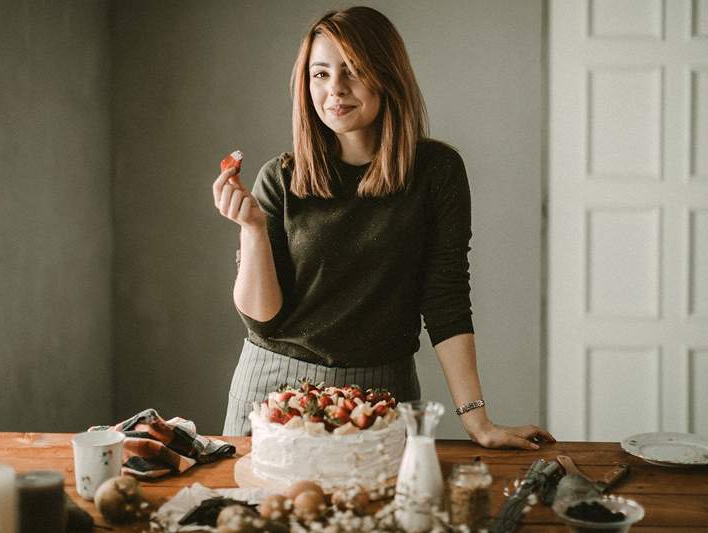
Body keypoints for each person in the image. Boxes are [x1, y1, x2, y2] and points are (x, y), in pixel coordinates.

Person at [213, 6, 554, 449]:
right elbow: (263, 318)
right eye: (320, 74)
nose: (335, 89)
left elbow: (446, 297)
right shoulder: (279, 176)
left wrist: (478, 422)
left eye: (353, 70)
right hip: (273, 387)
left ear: (387, 75)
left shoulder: (437, 171)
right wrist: (252, 230)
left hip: (381, 391)